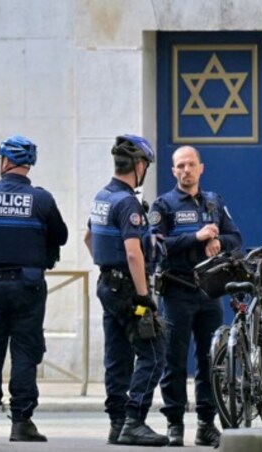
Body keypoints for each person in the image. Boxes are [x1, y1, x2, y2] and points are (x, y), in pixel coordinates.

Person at [0, 135, 68, 442]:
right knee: (25, 353)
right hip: (29, 286)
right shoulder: (42, 199)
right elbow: (60, 236)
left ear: (6, 161)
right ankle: (21, 422)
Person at [151, 146, 242, 447]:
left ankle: (206, 423)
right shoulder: (163, 205)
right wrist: (196, 237)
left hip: (209, 293)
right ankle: (174, 423)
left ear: (200, 168)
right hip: (176, 291)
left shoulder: (214, 202)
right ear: (173, 171)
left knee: (210, 360)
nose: (186, 170)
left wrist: (217, 240)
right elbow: (158, 246)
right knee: (174, 361)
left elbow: (235, 239)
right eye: (180, 166)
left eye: (191, 165)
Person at [84, 135, 169, 446]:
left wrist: (108, 266)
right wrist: (143, 295)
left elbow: (88, 239)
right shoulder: (128, 202)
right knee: (155, 353)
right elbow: (134, 253)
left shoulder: (101, 197)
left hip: (107, 285)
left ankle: (117, 424)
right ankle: (134, 420)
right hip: (129, 289)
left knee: (117, 357)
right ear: (140, 165)